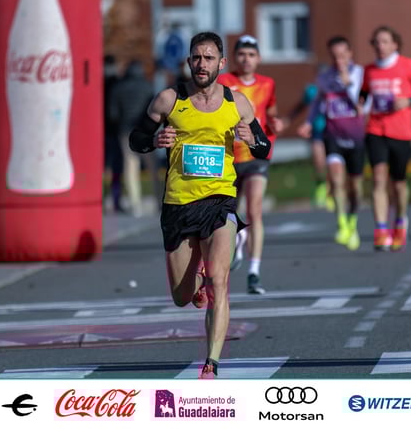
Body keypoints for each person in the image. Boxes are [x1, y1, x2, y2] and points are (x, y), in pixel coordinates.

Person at [128, 31, 270, 379]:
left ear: (222, 63)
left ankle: (212, 363)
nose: (201, 64)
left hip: (220, 200)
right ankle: (198, 283)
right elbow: (136, 139)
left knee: (219, 281)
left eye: (208, 58)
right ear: (189, 62)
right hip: (178, 204)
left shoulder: (236, 103)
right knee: (182, 296)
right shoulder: (168, 100)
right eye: (196, 58)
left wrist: (253, 140)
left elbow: (264, 147)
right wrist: (155, 140)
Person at [359, 26, 411, 252]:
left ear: (395, 45)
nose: (380, 46)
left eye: (384, 42)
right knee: (379, 179)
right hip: (375, 130)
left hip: (400, 132)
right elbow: (364, 93)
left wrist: (409, 100)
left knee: (398, 183)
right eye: (377, 42)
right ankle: (381, 230)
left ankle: (400, 221)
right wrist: (360, 104)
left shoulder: (408, 66)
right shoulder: (369, 70)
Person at [217, 35, 282, 294]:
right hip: (228, 157)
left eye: (252, 54)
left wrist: (276, 125)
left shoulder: (268, 84)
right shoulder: (223, 82)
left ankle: (254, 272)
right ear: (235, 58)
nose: (247, 59)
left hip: (255, 156)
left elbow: (271, 113)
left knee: (255, 210)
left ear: (259, 59)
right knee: (229, 212)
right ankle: (238, 237)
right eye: (242, 54)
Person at [298, 36, 366, 251]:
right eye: (335, 56)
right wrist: (309, 123)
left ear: (350, 54)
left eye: (342, 55)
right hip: (333, 136)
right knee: (336, 180)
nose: (339, 60)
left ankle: (353, 222)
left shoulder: (361, 75)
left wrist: (349, 85)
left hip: (356, 138)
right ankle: (341, 223)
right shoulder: (325, 78)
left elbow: (363, 107)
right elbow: (318, 103)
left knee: (355, 188)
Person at [109, 59, 162, 216]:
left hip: (126, 131)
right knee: (153, 167)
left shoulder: (118, 87)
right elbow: (155, 109)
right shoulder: (147, 86)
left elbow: (113, 113)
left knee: (130, 166)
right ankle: (159, 200)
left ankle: (135, 203)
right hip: (145, 130)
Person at [284, 65, 335, 211]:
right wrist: (288, 119)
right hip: (316, 131)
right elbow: (300, 106)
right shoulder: (312, 91)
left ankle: (330, 193)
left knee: (332, 164)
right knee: (319, 162)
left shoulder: (334, 90)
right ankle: (321, 185)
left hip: (333, 132)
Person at [103, 55, 124, 213]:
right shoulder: (118, 83)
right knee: (116, 167)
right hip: (116, 130)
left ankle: (106, 197)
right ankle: (115, 199)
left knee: (106, 166)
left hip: (102, 130)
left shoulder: (99, 83)